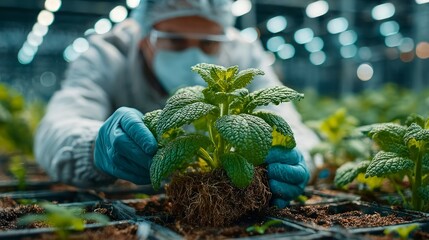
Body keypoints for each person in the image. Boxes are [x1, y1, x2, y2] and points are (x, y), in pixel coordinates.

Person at [34, 0, 320, 208]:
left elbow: (289, 123)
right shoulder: (108, 53)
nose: (194, 56)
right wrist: (94, 144)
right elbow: (56, 127)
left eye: (208, 44)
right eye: (175, 41)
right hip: (129, 194)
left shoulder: (241, 52)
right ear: (144, 38)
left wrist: (297, 156)